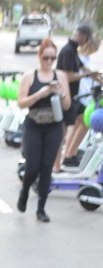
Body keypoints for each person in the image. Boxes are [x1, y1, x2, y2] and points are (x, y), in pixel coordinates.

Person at [16, 38, 72, 222]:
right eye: (46, 57)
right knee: (32, 166)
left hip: (53, 127)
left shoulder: (60, 76)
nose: (49, 61)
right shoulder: (30, 76)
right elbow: (21, 103)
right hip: (33, 125)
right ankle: (25, 191)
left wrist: (60, 93)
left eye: (52, 58)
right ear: (39, 56)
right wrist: (41, 93)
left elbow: (67, 105)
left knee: (47, 167)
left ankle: (41, 208)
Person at [54, 22, 94, 171]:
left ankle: (70, 155)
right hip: (65, 97)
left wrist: (96, 76)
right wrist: (86, 75)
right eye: (87, 39)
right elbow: (67, 76)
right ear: (82, 36)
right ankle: (56, 165)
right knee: (61, 132)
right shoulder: (67, 51)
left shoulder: (74, 51)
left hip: (74, 97)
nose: (86, 42)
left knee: (85, 120)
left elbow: (84, 68)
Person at [60, 38, 102, 168]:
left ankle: (69, 153)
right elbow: (86, 78)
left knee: (78, 125)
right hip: (83, 97)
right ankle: (70, 154)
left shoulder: (83, 58)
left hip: (82, 96)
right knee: (84, 125)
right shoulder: (81, 59)